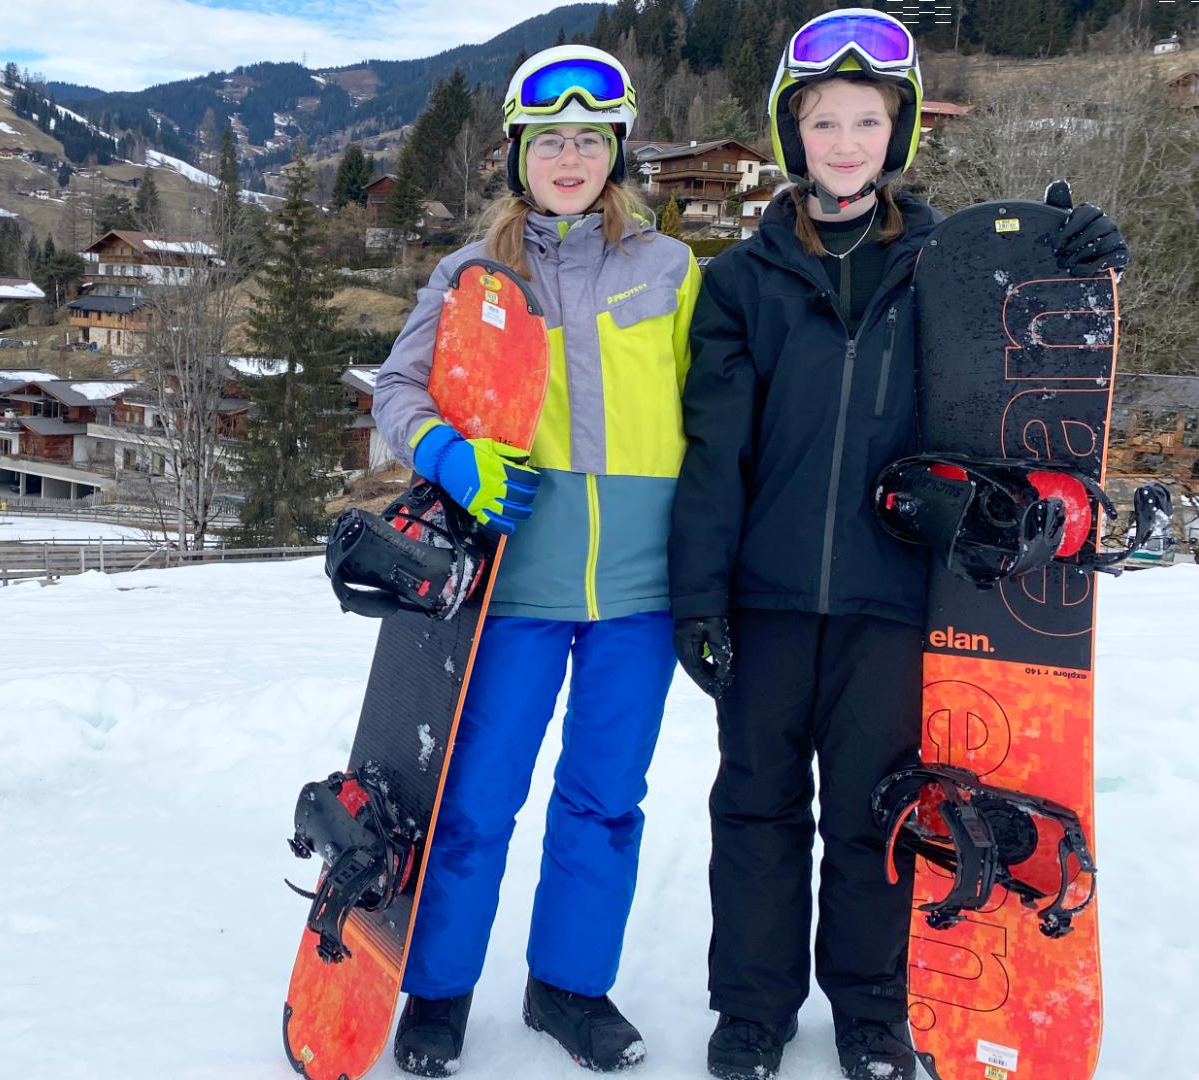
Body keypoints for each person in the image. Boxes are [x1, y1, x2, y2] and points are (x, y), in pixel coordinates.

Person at [668, 10, 1129, 1080]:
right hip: (767, 598)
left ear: (897, 134)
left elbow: (1024, 348)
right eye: (823, 122)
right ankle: (752, 1011)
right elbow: (712, 458)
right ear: (794, 139)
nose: (843, 143)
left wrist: (1079, 254)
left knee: (879, 817)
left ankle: (873, 1012)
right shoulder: (741, 285)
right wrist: (701, 600)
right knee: (755, 807)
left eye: (864, 122)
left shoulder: (946, 273)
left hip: (892, 598)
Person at [370, 43, 701, 1076]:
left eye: (590, 141)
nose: (570, 157)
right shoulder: (472, 276)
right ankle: (437, 990)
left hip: (639, 590)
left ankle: (568, 987)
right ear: (519, 155)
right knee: (475, 800)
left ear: (618, 154)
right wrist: (449, 456)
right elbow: (395, 392)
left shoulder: (672, 270)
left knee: (606, 798)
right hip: (512, 585)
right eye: (550, 140)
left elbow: (723, 411)